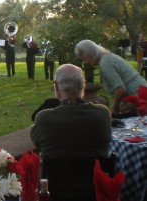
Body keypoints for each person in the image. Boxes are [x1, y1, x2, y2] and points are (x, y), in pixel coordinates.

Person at [30, 64, 112, 200]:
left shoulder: (45, 118)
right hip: (95, 192)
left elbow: (36, 140)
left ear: (56, 86)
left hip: (56, 192)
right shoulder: (102, 114)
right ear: (83, 86)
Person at [75, 39, 147, 115]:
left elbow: (120, 89)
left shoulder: (105, 63)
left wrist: (115, 109)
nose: (86, 62)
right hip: (139, 97)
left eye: (85, 59)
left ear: (91, 54)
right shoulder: (109, 57)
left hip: (141, 100)